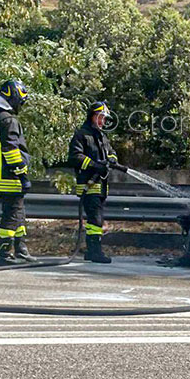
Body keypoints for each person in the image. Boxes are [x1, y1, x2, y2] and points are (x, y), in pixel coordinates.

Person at [0, 80, 37, 267]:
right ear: (13, 98)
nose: (21, 105)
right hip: (9, 177)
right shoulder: (10, 121)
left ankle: (21, 249)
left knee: (17, 211)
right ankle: (4, 254)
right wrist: (22, 176)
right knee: (11, 214)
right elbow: (12, 151)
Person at [68, 100, 119, 264]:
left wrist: (111, 160)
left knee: (95, 219)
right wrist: (95, 165)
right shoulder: (82, 135)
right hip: (88, 184)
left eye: (104, 118)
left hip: (101, 184)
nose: (103, 121)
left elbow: (111, 152)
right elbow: (75, 157)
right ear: (92, 116)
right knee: (96, 219)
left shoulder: (102, 136)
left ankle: (91, 251)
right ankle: (95, 251)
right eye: (101, 117)